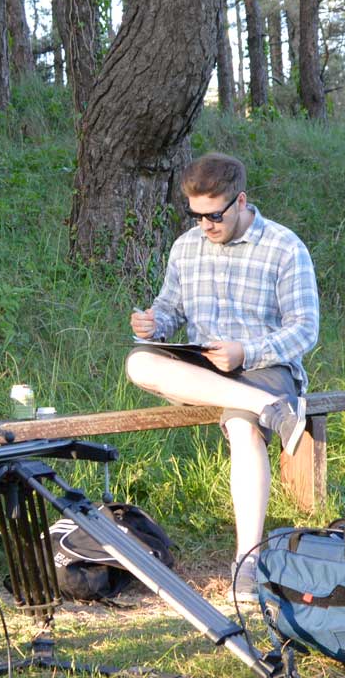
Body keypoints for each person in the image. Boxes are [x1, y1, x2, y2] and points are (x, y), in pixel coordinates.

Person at [126, 153, 321, 599]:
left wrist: (245, 351)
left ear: (240, 201)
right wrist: (152, 324)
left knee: (240, 426)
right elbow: (171, 309)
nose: (206, 225)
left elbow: (305, 330)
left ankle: (248, 562)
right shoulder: (185, 246)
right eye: (196, 216)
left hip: (264, 367)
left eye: (215, 215)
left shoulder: (284, 247)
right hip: (202, 366)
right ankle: (270, 411)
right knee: (138, 362)